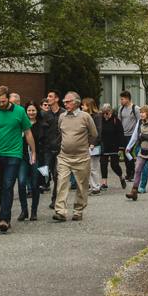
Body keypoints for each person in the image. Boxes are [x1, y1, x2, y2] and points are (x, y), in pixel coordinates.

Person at [0, 87, 36, 233]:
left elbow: (28, 132)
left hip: (14, 154)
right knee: (1, 187)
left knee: (8, 184)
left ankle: (4, 219)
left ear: (9, 98)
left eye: (3, 101)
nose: (1, 104)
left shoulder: (19, 111)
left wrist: (33, 151)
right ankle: (5, 215)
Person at [52, 91, 99, 221]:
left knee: (81, 185)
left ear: (76, 102)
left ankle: (78, 210)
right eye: (64, 101)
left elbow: (94, 134)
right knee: (62, 182)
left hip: (82, 157)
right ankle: (60, 211)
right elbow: (60, 133)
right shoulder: (62, 117)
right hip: (64, 157)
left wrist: (85, 145)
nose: (65, 104)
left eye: (68, 101)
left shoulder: (85, 117)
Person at [22, 92, 60, 222]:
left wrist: (44, 161)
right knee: (21, 183)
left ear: (37, 111)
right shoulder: (21, 124)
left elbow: (45, 143)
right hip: (23, 157)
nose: (31, 112)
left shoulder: (42, 125)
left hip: (37, 157)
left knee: (35, 184)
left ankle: (33, 212)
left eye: (33, 110)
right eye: (29, 110)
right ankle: (24, 210)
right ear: (25, 111)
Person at [98, 103, 125, 192]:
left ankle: (121, 177)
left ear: (111, 112)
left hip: (115, 146)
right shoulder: (100, 120)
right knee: (103, 164)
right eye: (104, 113)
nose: (105, 115)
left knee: (114, 165)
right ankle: (104, 183)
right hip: (104, 146)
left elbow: (121, 134)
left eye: (107, 113)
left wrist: (121, 148)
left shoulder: (116, 121)